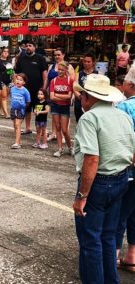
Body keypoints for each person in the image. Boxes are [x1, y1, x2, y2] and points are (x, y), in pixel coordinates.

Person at [73, 73, 135, 284]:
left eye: (82, 95)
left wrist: (82, 195)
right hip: (121, 179)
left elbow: (91, 159)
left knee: (91, 241)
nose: (81, 99)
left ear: (89, 97)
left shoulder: (90, 118)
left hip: (99, 183)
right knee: (108, 236)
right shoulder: (123, 117)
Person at [115, 66, 135, 273]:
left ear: (130, 85)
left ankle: (112, 258)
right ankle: (131, 257)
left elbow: (116, 139)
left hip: (127, 169)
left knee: (118, 215)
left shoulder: (124, 107)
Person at [15, 40, 48, 135]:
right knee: (27, 109)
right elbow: (17, 73)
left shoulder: (40, 58)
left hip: (38, 90)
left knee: (39, 110)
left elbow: (44, 74)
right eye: (26, 46)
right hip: (24, 90)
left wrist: (44, 88)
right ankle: (28, 128)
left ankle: (41, 129)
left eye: (30, 46)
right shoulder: (21, 58)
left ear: (34, 47)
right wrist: (16, 85)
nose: (28, 47)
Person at [46, 48, 75, 142]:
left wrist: (72, 95)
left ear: (63, 55)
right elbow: (47, 79)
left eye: (59, 55)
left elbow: (72, 80)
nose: (57, 57)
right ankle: (54, 133)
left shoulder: (68, 66)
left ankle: (63, 134)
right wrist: (44, 89)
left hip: (64, 94)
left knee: (64, 115)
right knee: (54, 114)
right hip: (53, 94)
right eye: (55, 55)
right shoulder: (51, 66)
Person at [49, 62, 74, 157]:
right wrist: (63, 96)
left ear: (66, 70)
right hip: (55, 106)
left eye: (62, 70)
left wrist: (57, 95)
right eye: (59, 69)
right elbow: (51, 97)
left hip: (64, 107)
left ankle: (70, 147)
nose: (60, 71)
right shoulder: (53, 81)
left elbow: (69, 96)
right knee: (58, 128)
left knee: (64, 130)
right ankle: (60, 148)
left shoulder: (69, 80)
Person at [73, 53, 97, 122]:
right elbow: (75, 88)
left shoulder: (98, 74)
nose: (86, 63)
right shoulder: (78, 74)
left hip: (93, 103)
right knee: (79, 121)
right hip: (80, 101)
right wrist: (81, 97)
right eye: (85, 61)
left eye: (88, 62)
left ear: (93, 63)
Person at [10, 73, 31, 149]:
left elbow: (28, 101)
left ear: (24, 82)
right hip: (13, 109)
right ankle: (18, 141)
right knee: (15, 125)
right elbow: (12, 97)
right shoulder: (12, 89)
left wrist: (23, 107)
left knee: (17, 125)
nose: (18, 81)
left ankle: (17, 143)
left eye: (20, 80)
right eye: (17, 79)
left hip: (21, 110)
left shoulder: (25, 91)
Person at [0, 47, 12, 118]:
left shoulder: (9, 61)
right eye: (4, 51)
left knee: (5, 97)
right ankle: (6, 113)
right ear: (1, 52)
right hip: (0, 80)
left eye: (7, 52)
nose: (6, 53)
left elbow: (10, 72)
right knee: (4, 97)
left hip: (8, 80)